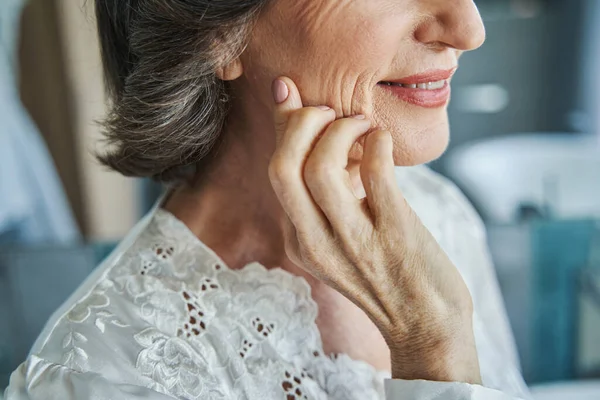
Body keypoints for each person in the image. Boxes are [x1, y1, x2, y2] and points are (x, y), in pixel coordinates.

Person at [5, 0, 531, 398]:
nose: (469, 29)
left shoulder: (438, 208)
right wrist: (434, 349)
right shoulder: (100, 373)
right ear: (220, 32)